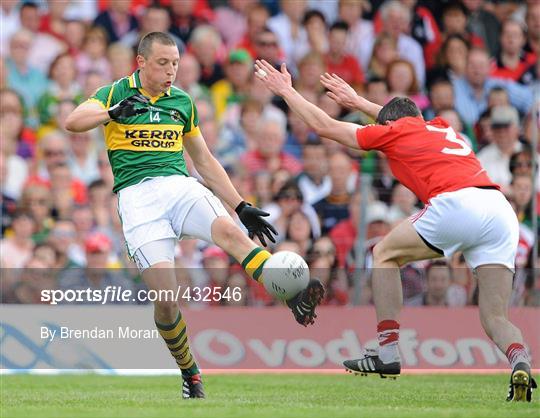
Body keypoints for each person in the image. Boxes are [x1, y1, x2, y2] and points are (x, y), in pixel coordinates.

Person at [254, 58, 536, 401]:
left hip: (458, 205)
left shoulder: (395, 131)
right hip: (499, 210)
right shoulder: (441, 126)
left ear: (389, 124)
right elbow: (400, 118)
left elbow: (326, 126)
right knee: (494, 316)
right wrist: (359, 102)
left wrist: (287, 91)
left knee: (384, 254)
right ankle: (520, 361)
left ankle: (387, 350)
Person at [64, 32, 324, 399]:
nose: (171, 71)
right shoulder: (116, 92)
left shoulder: (182, 102)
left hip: (179, 186)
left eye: (174, 63)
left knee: (231, 234)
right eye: (162, 63)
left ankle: (290, 294)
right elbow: (73, 121)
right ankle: (190, 373)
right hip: (137, 198)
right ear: (141, 62)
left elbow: (203, 159)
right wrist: (109, 114)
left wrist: (240, 205)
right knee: (167, 301)